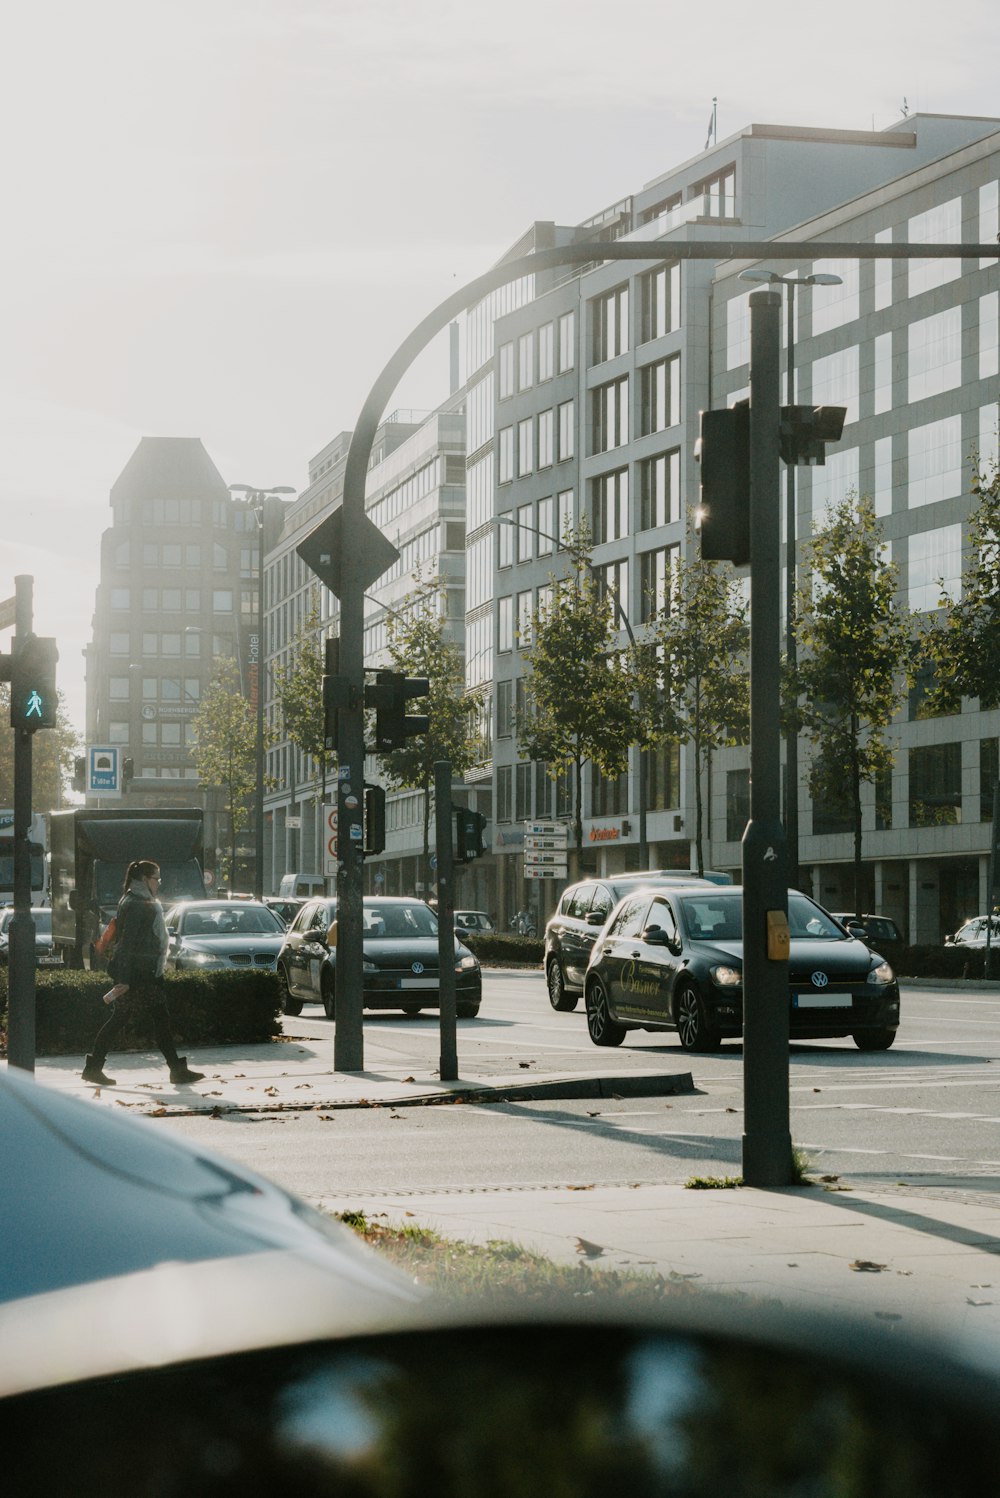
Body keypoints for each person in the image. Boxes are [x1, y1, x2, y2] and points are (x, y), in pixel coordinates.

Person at [82, 859, 204, 1087]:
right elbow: (128, 943)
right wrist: (125, 980)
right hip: (140, 976)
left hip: (142, 973)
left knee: (152, 1019)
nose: (159, 883)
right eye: (156, 878)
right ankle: (175, 1070)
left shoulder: (132, 899)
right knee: (139, 1019)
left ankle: (175, 1069)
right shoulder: (139, 904)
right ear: (144, 879)